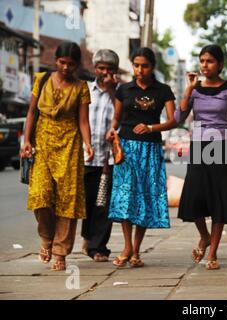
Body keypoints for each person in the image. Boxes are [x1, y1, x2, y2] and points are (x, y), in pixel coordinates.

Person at [175, 44, 227, 270]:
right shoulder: (195, 89)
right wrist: (188, 89)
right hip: (199, 146)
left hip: (223, 147)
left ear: (220, 64)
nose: (205, 65)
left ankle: (213, 252)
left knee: (219, 200)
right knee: (193, 197)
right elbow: (179, 116)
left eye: (210, 61)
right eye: (202, 61)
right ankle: (204, 236)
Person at [21, 41, 94, 271]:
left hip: (70, 145)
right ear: (56, 61)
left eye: (70, 64)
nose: (65, 68)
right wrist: (26, 140)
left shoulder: (81, 87)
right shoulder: (41, 79)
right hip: (42, 144)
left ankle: (61, 252)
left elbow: (83, 121)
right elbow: (31, 112)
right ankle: (46, 238)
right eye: (62, 63)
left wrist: (88, 144)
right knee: (40, 195)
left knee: (67, 201)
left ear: (76, 65)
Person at [105, 47, 177, 268]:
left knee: (144, 197)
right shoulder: (124, 89)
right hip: (125, 150)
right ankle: (127, 247)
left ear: (152, 67)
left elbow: (173, 121)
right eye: (136, 65)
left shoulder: (163, 90)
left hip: (151, 149)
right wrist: (111, 130)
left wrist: (150, 127)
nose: (139, 70)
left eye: (144, 65)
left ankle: (136, 250)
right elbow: (116, 118)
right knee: (126, 196)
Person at [81, 49, 119, 262]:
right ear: (95, 69)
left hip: (109, 158)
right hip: (87, 155)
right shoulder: (86, 90)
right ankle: (88, 237)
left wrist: (113, 91)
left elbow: (121, 116)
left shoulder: (120, 93)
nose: (105, 73)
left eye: (110, 69)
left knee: (103, 204)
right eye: (101, 68)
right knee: (86, 203)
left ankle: (98, 247)